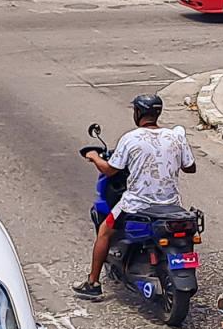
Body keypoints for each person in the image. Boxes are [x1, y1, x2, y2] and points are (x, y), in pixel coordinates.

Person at [75, 95, 196, 300]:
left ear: (138, 113)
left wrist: (94, 156)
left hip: (137, 204)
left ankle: (93, 282)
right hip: (171, 205)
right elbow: (190, 167)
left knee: (104, 231)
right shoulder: (175, 137)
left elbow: (110, 169)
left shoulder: (131, 138)